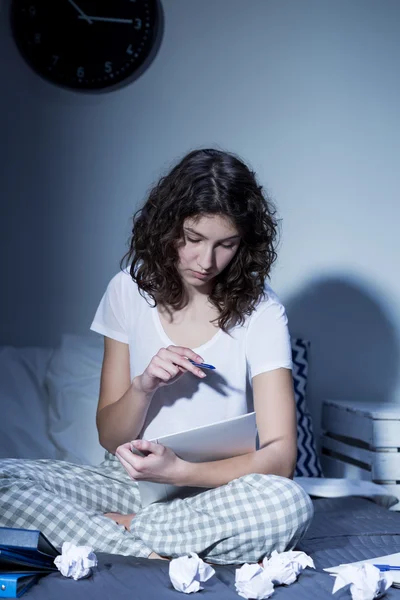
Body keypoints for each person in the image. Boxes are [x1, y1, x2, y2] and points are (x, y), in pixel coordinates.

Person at [0, 148, 313, 564]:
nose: (206, 261)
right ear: (168, 226)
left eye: (226, 245)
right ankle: (155, 546)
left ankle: (124, 531)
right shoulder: (127, 290)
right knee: (3, 480)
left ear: (245, 244)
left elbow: (280, 457)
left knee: (289, 504)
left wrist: (180, 472)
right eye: (194, 238)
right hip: (127, 481)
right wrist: (143, 386)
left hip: (222, 491)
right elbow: (111, 438)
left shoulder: (262, 310)